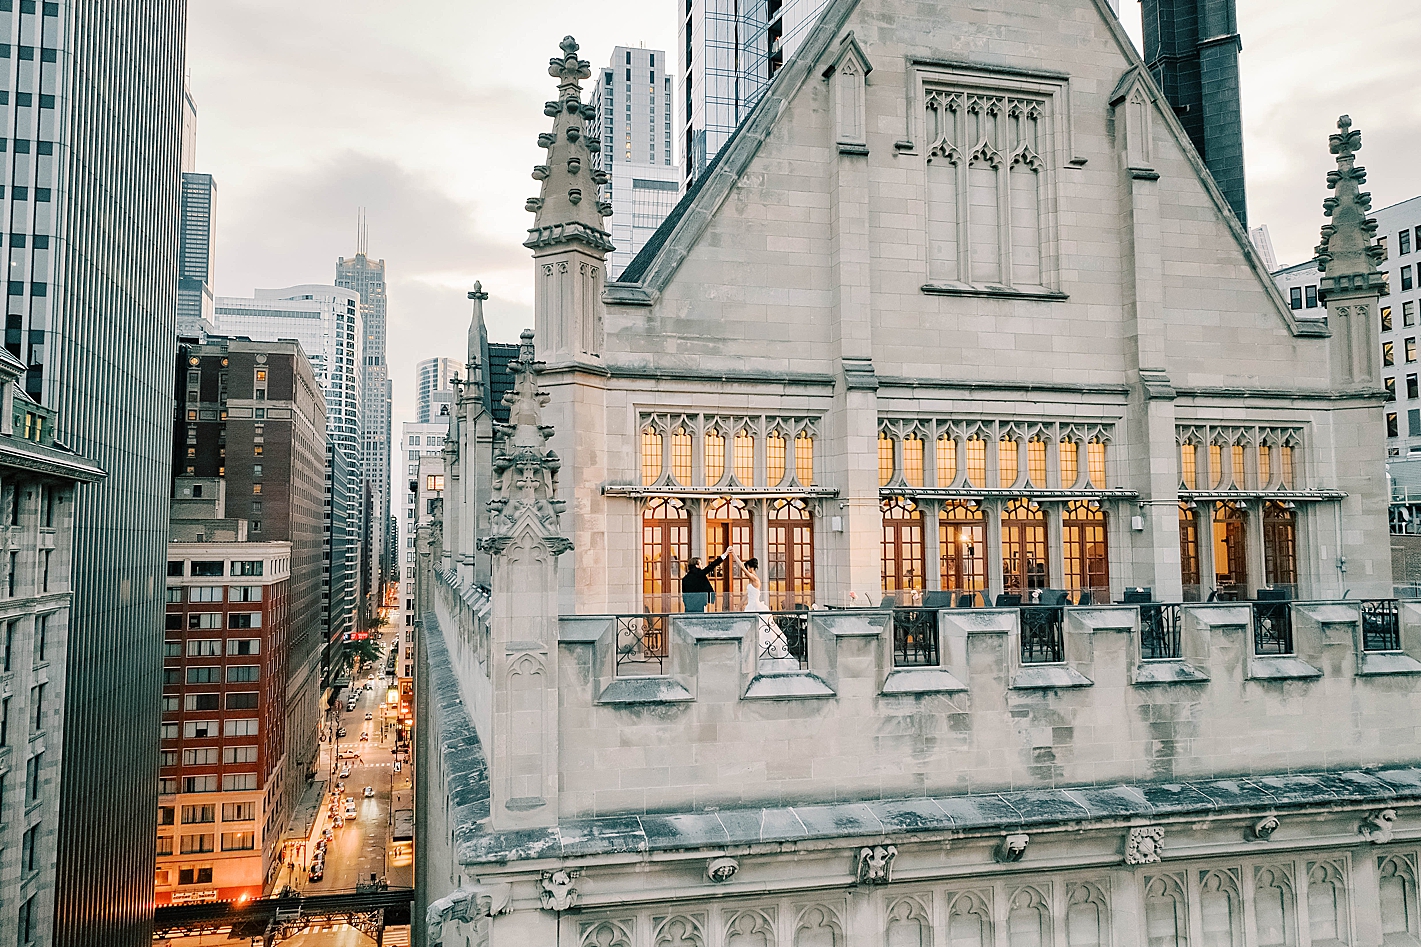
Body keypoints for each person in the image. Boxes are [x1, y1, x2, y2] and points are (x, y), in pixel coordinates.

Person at [731, 550, 793, 666]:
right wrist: (739, 605)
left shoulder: (755, 579)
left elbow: (742, 569)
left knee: (761, 630)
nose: (745, 571)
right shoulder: (751, 580)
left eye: (747, 568)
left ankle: (760, 654)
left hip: (755, 606)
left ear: (750, 568)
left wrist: (734, 555)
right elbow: (747, 595)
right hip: (751, 605)